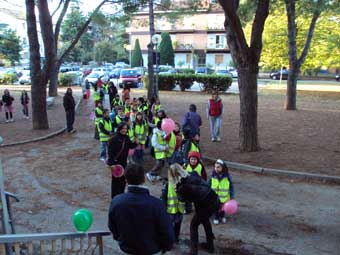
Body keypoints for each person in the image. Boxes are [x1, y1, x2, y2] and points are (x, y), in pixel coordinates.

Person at [108, 163, 174, 255]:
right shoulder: (157, 204)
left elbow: (113, 228)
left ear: (126, 180)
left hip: (127, 249)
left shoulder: (116, 201)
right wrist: (165, 248)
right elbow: (167, 234)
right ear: (144, 179)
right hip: (152, 250)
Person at [169, 163, 219, 255]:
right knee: (205, 221)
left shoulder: (182, 187)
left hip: (205, 205)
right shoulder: (193, 173)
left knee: (193, 225)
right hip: (214, 198)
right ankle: (210, 246)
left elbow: (182, 199)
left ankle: (193, 251)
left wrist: (177, 190)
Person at [107, 122, 138, 198]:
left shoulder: (126, 137)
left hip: (124, 163)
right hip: (116, 164)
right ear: (119, 128)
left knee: (123, 181)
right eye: (123, 128)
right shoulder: (114, 138)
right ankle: (114, 197)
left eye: (126, 128)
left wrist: (136, 143)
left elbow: (131, 146)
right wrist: (112, 164)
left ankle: (121, 195)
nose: (124, 130)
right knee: (115, 182)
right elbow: (110, 152)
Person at [208, 159, 234, 225]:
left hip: (224, 196)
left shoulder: (227, 177)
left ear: (223, 168)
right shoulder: (212, 175)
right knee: (216, 207)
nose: (216, 169)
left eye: (218, 167)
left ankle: (222, 216)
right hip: (215, 196)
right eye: (215, 167)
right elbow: (208, 184)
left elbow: (231, 187)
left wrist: (232, 196)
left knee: (223, 207)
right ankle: (216, 217)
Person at [161, 171, 184, 244]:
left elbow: (186, 196)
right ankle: (169, 239)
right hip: (170, 210)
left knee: (177, 225)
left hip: (180, 209)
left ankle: (176, 238)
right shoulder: (168, 185)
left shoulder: (182, 185)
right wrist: (164, 208)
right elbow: (163, 197)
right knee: (169, 226)